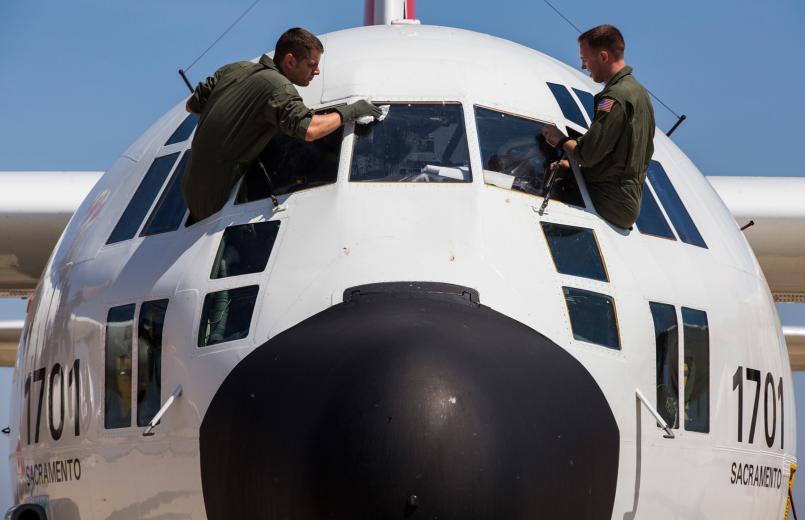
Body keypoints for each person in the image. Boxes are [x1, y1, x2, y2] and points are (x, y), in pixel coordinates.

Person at [182, 27, 381, 222]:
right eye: (312, 64)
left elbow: (191, 106)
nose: (317, 71)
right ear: (290, 61)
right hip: (214, 202)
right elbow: (310, 129)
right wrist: (353, 110)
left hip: (191, 195)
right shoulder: (278, 87)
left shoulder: (235, 69)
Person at [541, 24, 655, 229]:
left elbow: (587, 154)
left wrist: (560, 139)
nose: (583, 67)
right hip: (625, 200)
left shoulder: (614, 98)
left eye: (585, 60)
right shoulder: (638, 94)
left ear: (603, 57)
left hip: (610, 200)